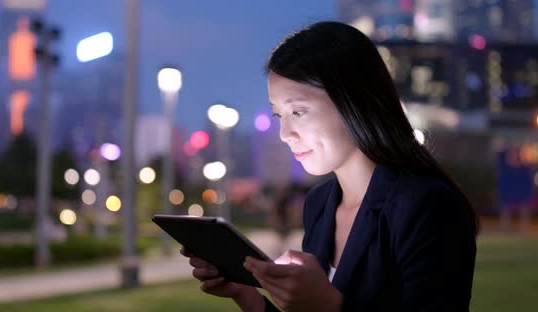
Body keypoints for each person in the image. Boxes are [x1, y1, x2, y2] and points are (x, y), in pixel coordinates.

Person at [180, 21, 478, 311]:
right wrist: (246, 294)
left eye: (298, 111)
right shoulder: (320, 204)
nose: (285, 134)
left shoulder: (426, 205)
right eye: (278, 115)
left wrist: (328, 305)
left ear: (353, 102)